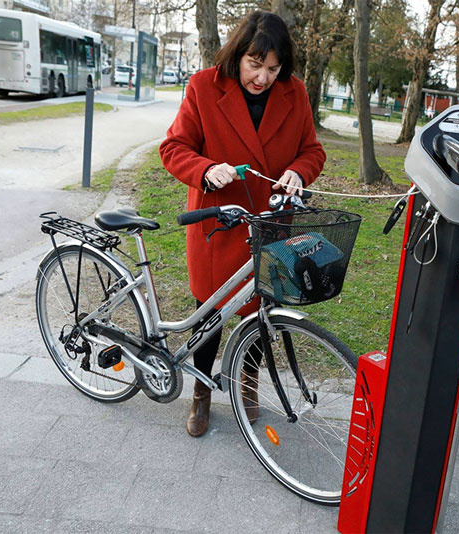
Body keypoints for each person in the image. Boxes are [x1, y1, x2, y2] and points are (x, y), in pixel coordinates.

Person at [159, 11, 326, 437]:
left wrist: (299, 173)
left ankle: (246, 382)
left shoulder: (295, 92)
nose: (262, 77)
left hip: (269, 223)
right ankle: (201, 394)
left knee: (262, 313)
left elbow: (312, 151)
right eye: (255, 64)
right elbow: (174, 147)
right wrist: (204, 168)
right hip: (218, 225)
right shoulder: (203, 86)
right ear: (238, 55)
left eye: (272, 69)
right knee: (210, 315)